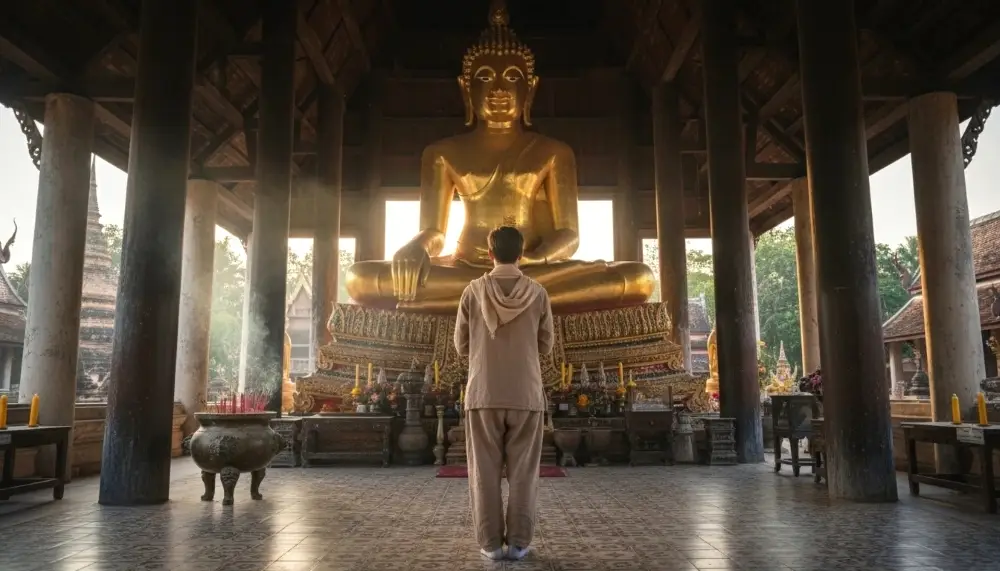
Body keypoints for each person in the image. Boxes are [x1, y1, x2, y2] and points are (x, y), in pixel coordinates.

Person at [454, 225, 554, 561]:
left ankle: (491, 544)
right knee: (524, 473)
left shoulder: (472, 290)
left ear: (489, 253)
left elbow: (460, 344)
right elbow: (546, 344)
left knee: (484, 472)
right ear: (522, 253)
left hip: (483, 392)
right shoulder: (538, 292)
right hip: (526, 393)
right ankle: (520, 543)